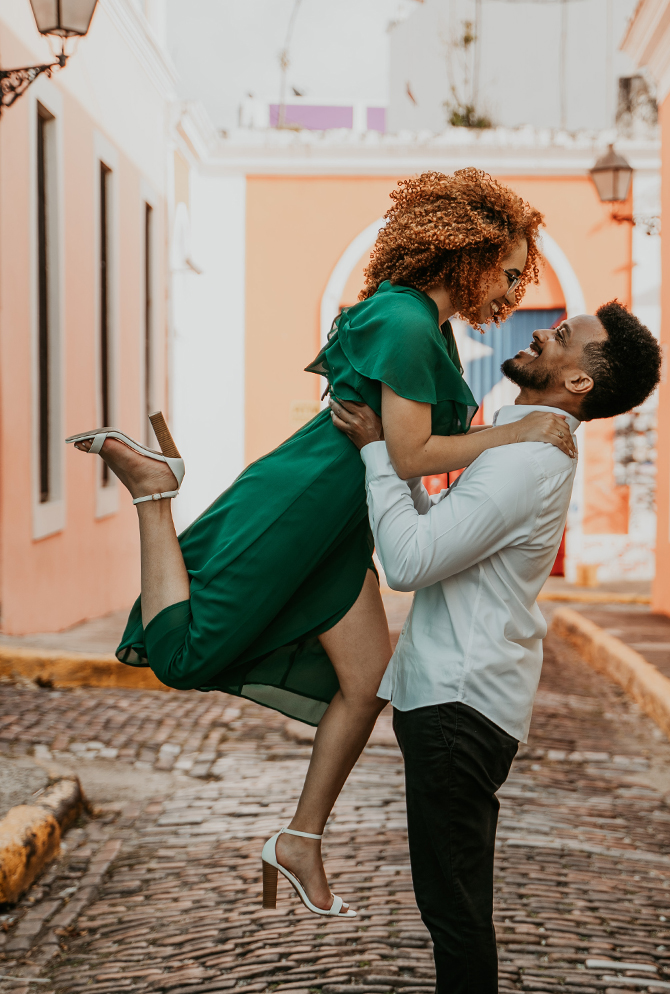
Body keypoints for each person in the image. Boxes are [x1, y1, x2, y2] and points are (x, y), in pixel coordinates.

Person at [66, 169, 578, 918]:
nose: (509, 296)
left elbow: (409, 449)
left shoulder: (426, 326)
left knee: (370, 682)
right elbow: (408, 454)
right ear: (467, 254)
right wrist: (519, 428)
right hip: (306, 503)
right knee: (183, 656)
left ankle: (302, 838)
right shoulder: (403, 320)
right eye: (506, 275)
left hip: (346, 520)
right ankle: (154, 491)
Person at [328, 300, 661, 994]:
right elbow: (437, 536)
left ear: (579, 379)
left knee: (455, 909)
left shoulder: (524, 462)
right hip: (458, 694)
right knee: (451, 904)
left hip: (460, 703)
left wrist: (374, 451)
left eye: (564, 337)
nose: (542, 332)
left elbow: (408, 561)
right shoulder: (516, 442)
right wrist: (399, 462)